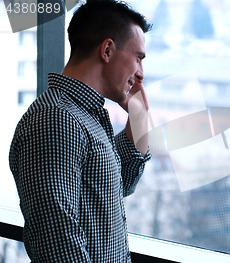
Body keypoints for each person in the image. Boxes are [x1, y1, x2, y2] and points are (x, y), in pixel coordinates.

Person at [9, 0, 153, 262]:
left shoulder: (85, 117)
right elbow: (56, 243)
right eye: (138, 58)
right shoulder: (55, 120)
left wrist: (140, 114)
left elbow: (121, 183)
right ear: (107, 50)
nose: (141, 73)